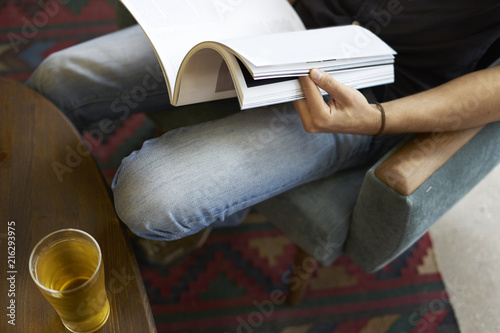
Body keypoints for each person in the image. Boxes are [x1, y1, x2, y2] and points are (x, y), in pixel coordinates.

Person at [26, 0, 500, 246]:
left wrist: (377, 119)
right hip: (285, 15)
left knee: (148, 197)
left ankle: (220, 211)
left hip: (372, 90)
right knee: (58, 78)